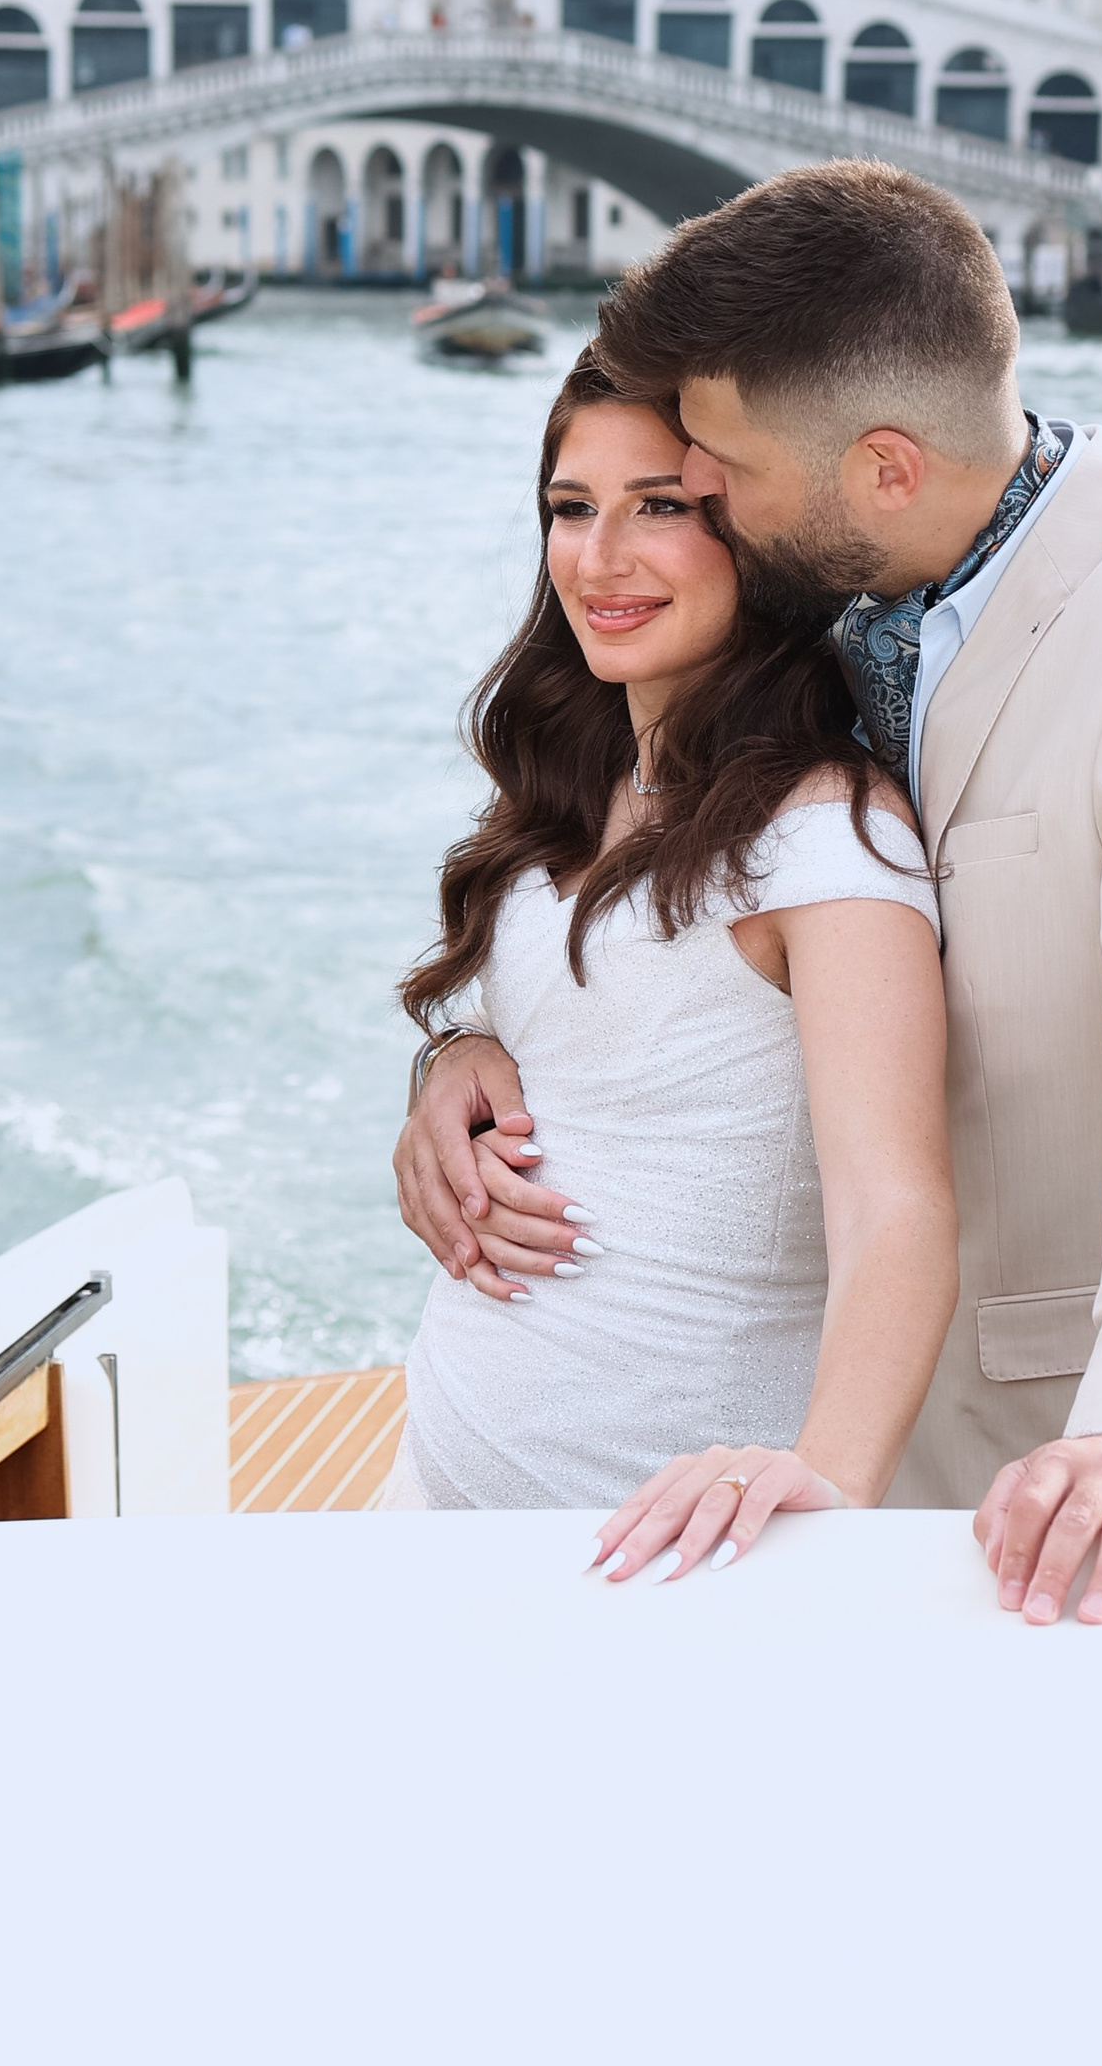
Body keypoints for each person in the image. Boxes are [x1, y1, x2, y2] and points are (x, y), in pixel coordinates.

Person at [394, 162, 1102, 1626]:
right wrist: (466, 1058)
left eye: (715, 473)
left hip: (1078, 1453)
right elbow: (664, 951)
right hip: (812, 1421)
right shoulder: (831, 583)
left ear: (880, 464)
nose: (706, 506)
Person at [385, 347, 959, 1583]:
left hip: (665, 1544)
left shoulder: (820, 834)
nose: (599, 557)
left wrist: (831, 1478)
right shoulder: (582, 787)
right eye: (570, 507)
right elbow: (604, 1042)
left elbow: (895, 1201)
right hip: (439, 1476)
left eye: (661, 508)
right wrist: (453, 1058)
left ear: (756, 536)